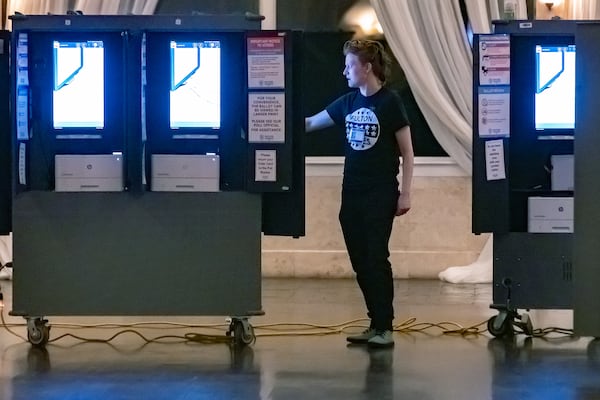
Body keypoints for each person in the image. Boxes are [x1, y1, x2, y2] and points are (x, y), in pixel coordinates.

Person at [305, 39, 414, 348]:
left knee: (377, 257)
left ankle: (386, 326)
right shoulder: (349, 103)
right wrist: (273, 125)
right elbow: (312, 123)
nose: (345, 72)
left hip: (380, 194)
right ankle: (374, 322)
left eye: (350, 66)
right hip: (351, 194)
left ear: (366, 68)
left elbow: (407, 153)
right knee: (360, 261)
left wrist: (405, 194)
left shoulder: (390, 103)